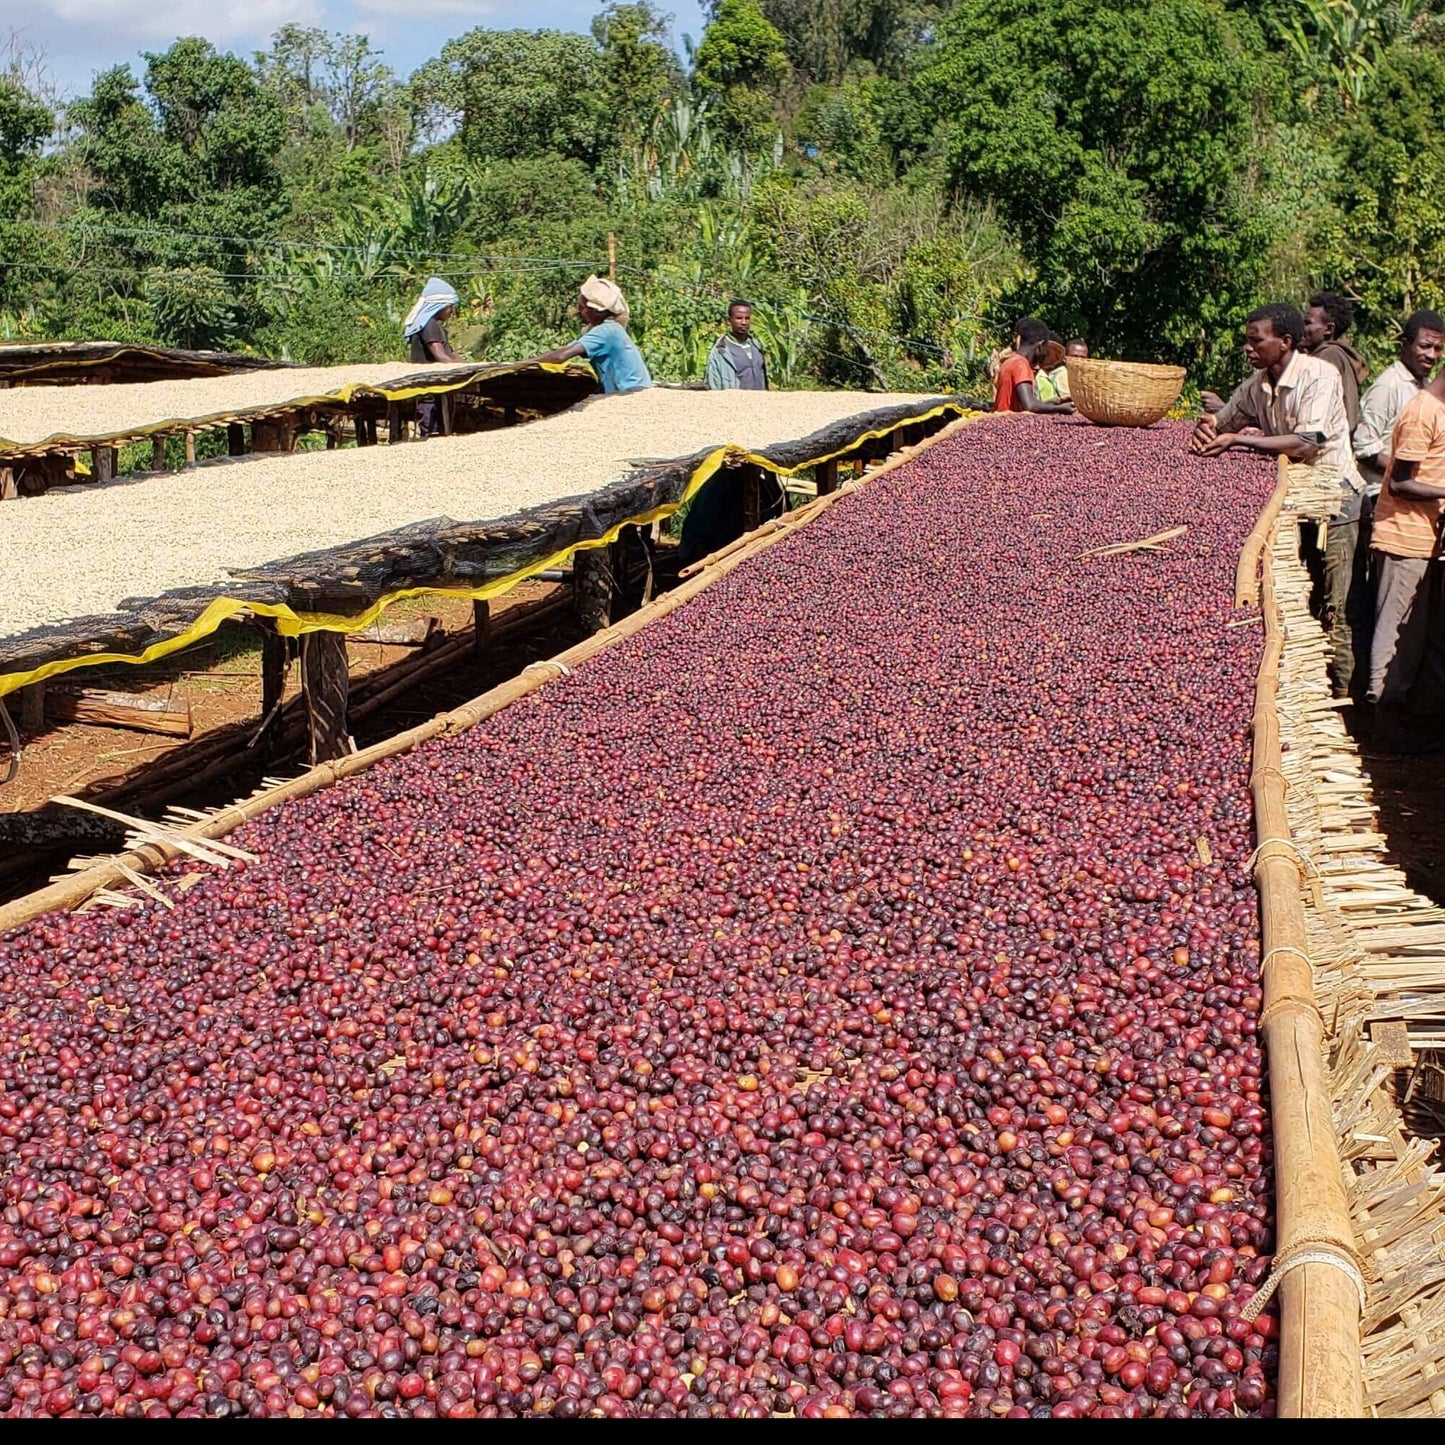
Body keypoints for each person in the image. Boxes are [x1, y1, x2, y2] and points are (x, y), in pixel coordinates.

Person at [1191, 302, 1368, 696]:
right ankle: (1304, 687)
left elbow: (1308, 442)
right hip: (1291, 504)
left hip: (1334, 500)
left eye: (1256, 341)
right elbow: (1226, 418)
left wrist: (1239, 439)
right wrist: (1207, 430)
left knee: (1338, 607)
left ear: (1285, 342)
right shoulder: (1258, 384)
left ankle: (1347, 702)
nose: (1247, 349)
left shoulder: (1319, 375)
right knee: (1299, 601)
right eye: (1247, 341)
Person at [1367, 363, 1445, 751]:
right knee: (1395, 634)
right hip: (1402, 539)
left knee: (1414, 639)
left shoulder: (1437, 411)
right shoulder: (1422, 411)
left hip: (1423, 539)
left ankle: (1403, 723)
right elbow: (1399, 482)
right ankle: (1384, 722)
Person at [1356, 310, 1445, 490]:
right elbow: (1364, 449)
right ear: (1405, 345)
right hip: (1382, 495)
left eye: (1438, 348)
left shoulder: (1427, 385)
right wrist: (1407, 475)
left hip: (1418, 495)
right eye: (1425, 346)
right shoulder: (1388, 386)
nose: (1432, 355)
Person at [529, 275, 652, 395]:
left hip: (632, 392)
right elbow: (564, 350)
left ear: (595, 311)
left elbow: (561, 356)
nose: (578, 312)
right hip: (625, 391)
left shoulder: (607, 331)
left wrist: (524, 364)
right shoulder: (606, 329)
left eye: (582, 308)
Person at [402, 277, 463, 439]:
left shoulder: (429, 325)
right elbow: (441, 356)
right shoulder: (429, 325)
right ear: (440, 306)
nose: (451, 311)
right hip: (430, 389)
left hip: (429, 389)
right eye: (450, 307)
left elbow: (449, 355)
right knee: (432, 430)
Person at [1302, 291, 1368, 432]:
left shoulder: (1329, 356)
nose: (1303, 328)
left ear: (1329, 329)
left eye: (1308, 323)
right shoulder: (1336, 354)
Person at [993, 319, 1074, 414]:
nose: (1044, 355)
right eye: (1045, 350)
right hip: (1009, 423)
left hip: (1004, 422)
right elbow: (1030, 405)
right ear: (1040, 346)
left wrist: (1052, 403)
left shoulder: (1010, 362)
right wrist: (1061, 408)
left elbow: (1023, 405)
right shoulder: (1021, 365)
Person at [705, 300, 768, 390]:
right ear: (729, 320)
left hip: (761, 402)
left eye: (747, 318)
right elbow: (713, 384)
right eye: (739, 318)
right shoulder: (721, 351)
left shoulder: (757, 346)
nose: (744, 322)